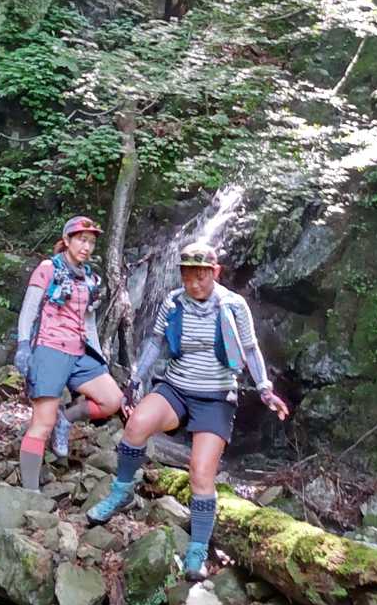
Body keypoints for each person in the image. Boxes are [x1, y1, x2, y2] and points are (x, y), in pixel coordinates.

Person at [86, 241, 289, 579]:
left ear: (215, 272)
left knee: (200, 473)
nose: (193, 284)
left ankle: (197, 549)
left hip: (215, 397)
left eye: (201, 277)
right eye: (187, 276)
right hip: (176, 388)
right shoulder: (173, 301)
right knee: (136, 425)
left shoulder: (233, 305)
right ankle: (121, 493)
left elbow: (250, 349)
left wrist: (265, 388)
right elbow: (155, 342)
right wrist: (136, 379)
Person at [14, 216, 123, 491]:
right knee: (43, 422)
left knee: (112, 400)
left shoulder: (90, 277)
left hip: (79, 351)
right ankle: (30, 492)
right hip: (49, 348)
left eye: (91, 242)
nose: (87, 247)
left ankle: (67, 418)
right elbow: (29, 310)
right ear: (67, 240)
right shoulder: (48, 268)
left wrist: (99, 358)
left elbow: (88, 322)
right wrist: (24, 345)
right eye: (81, 240)